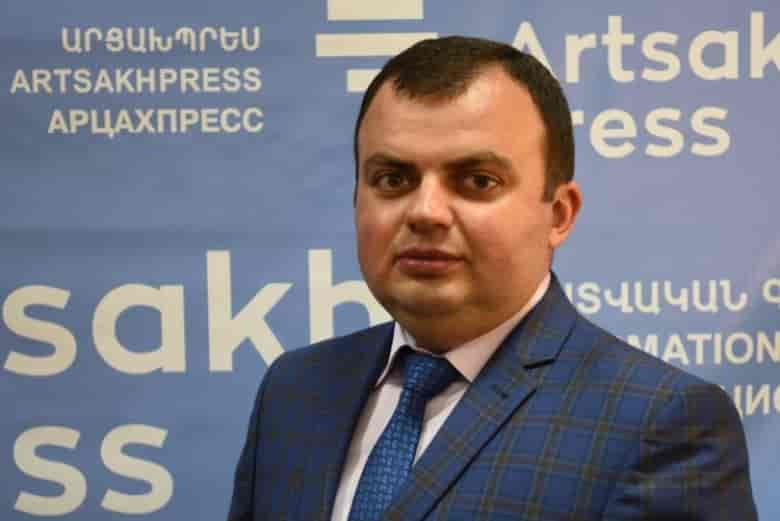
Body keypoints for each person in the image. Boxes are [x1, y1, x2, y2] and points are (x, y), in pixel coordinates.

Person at [227, 36, 757, 521]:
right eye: (392, 179)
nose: (426, 212)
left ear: (558, 214)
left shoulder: (657, 425)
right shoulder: (295, 391)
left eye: (477, 181)